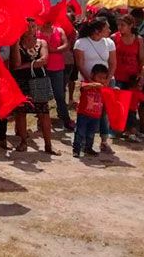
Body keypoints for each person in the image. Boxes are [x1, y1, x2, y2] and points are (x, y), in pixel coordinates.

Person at [11, 19, 60, 155]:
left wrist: (27, 65)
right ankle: (23, 141)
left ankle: (48, 145)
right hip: (22, 81)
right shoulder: (17, 44)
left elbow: (44, 60)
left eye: (33, 26)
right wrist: (15, 44)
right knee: (21, 112)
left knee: (44, 112)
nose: (32, 29)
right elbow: (16, 64)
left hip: (39, 80)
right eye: (28, 27)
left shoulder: (41, 43)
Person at [74, 18, 117, 154]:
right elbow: (80, 64)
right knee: (87, 111)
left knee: (104, 112)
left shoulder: (109, 43)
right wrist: (91, 81)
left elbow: (113, 63)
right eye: (107, 28)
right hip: (88, 82)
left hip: (106, 82)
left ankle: (104, 141)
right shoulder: (81, 43)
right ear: (98, 30)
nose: (110, 31)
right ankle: (83, 142)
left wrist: (107, 80)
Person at [37, 20, 74, 130]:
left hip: (57, 67)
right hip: (42, 68)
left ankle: (66, 120)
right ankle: (41, 121)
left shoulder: (59, 30)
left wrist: (54, 50)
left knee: (59, 95)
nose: (47, 22)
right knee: (42, 96)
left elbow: (66, 45)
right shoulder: (37, 32)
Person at [73, 64, 109, 158]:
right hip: (83, 114)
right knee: (80, 132)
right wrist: (94, 84)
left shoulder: (103, 89)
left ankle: (88, 148)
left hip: (96, 116)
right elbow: (83, 87)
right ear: (92, 75)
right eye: (99, 77)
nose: (101, 80)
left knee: (91, 134)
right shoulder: (86, 83)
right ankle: (76, 150)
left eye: (104, 78)